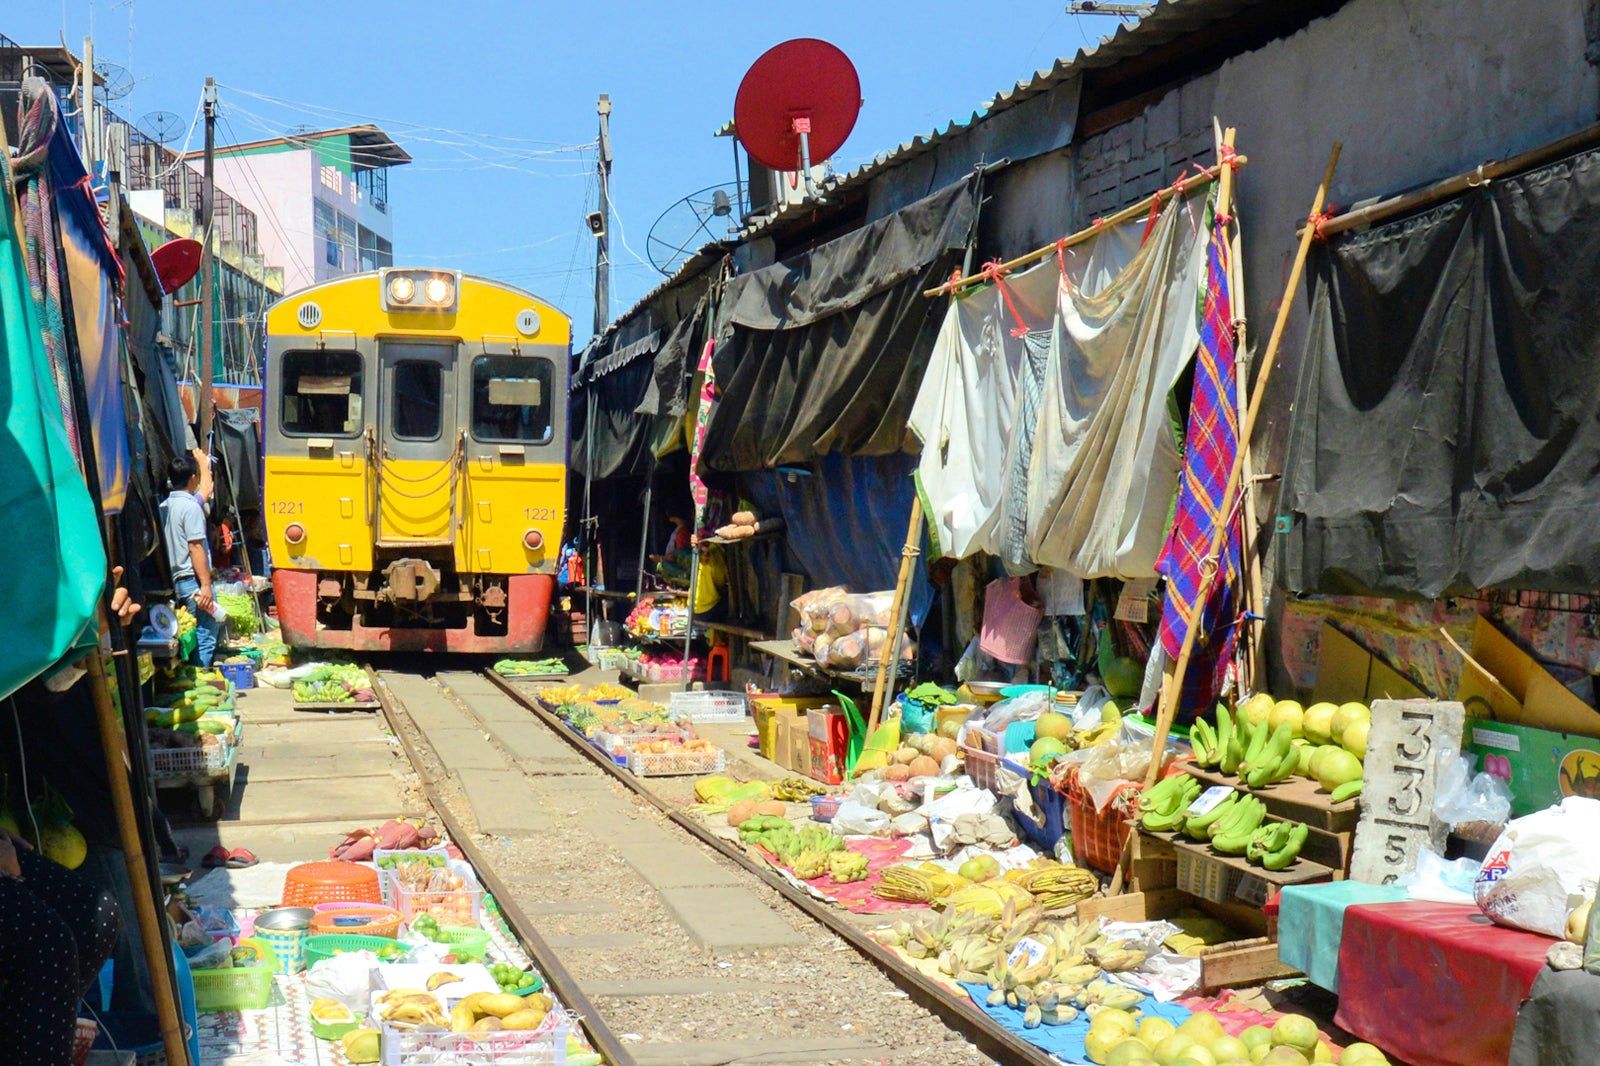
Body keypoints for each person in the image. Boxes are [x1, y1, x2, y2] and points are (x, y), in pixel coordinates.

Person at [0, 570, 142, 1065]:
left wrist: (96, 631)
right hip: (51, 767)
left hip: (62, 770)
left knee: (95, 914)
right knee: (48, 946)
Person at [160, 454, 222, 666]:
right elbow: (195, 547)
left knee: (187, 637)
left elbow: (205, 491)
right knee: (205, 634)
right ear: (193, 478)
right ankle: (201, 676)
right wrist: (205, 584)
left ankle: (191, 674)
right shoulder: (191, 507)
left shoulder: (164, 506)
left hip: (174, 581)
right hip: (192, 581)